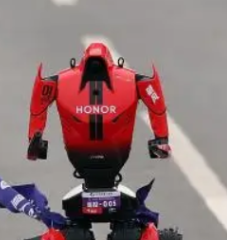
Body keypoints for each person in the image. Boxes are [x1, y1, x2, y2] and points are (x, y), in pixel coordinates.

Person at [26, 41, 170, 190]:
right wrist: (161, 140)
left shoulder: (58, 81)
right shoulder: (134, 80)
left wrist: (35, 142)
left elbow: (38, 107)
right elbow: (156, 103)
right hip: (116, 155)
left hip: (79, 156)